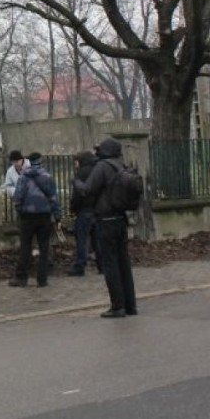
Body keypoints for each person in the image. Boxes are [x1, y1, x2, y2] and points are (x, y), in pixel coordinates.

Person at [80, 136, 138, 318]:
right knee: (124, 263)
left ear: (104, 151)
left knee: (110, 264)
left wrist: (76, 183)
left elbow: (88, 189)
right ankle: (130, 305)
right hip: (120, 218)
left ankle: (117, 305)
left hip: (105, 220)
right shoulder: (121, 166)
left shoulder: (103, 167)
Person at [9, 152, 61, 288]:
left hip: (27, 216)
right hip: (44, 215)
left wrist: (20, 210)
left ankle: (22, 277)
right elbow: (54, 198)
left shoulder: (23, 177)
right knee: (44, 247)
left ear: (29, 161)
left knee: (25, 245)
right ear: (41, 160)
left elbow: (18, 197)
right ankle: (42, 278)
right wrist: (57, 215)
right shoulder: (47, 177)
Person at [67, 150, 100, 277]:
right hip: (97, 210)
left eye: (76, 162)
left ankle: (80, 266)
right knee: (97, 240)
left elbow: (77, 195)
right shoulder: (98, 170)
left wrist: (73, 208)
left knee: (82, 239)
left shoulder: (80, 173)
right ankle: (102, 265)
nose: (75, 164)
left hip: (84, 210)